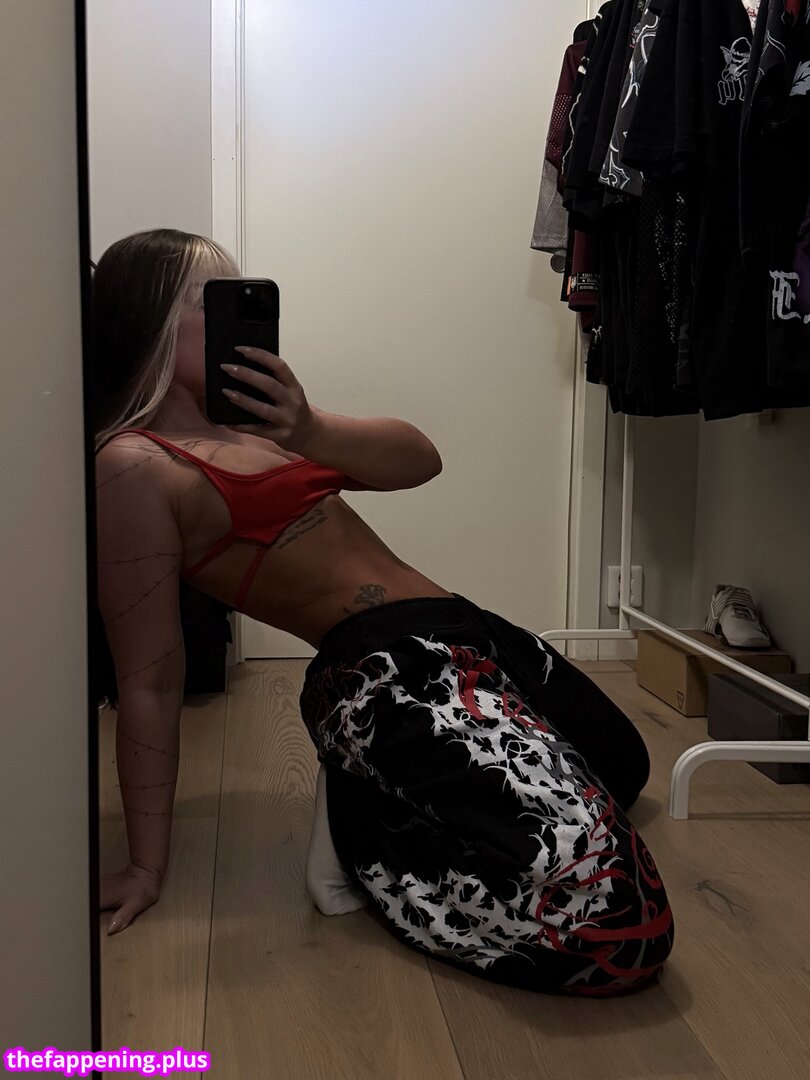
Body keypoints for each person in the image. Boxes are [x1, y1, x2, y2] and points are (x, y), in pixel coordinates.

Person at [95, 228, 674, 997]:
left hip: (465, 627)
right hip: (385, 665)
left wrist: (308, 428)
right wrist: (145, 865)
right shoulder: (135, 464)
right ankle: (360, 830)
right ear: (153, 324)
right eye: (215, 300)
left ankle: (378, 787)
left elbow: (420, 459)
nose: (244, 317)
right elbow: (150, 679)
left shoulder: (264, 425)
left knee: (622, 764)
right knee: (618, 921)